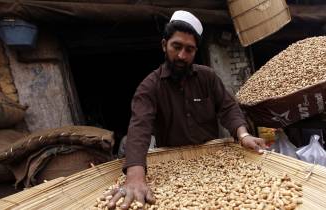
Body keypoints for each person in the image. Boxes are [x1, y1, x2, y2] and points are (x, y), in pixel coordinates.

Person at [107, 10, 266, 209]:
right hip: (174, 162)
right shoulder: (149, 87)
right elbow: (140, 128)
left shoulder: (207, 77)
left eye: (189, 50)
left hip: (213, 159)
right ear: (164, 45)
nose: (182, 55)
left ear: (195, 51)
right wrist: (135, 176)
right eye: (177, 46)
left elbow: (227, 107)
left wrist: (243, 135)